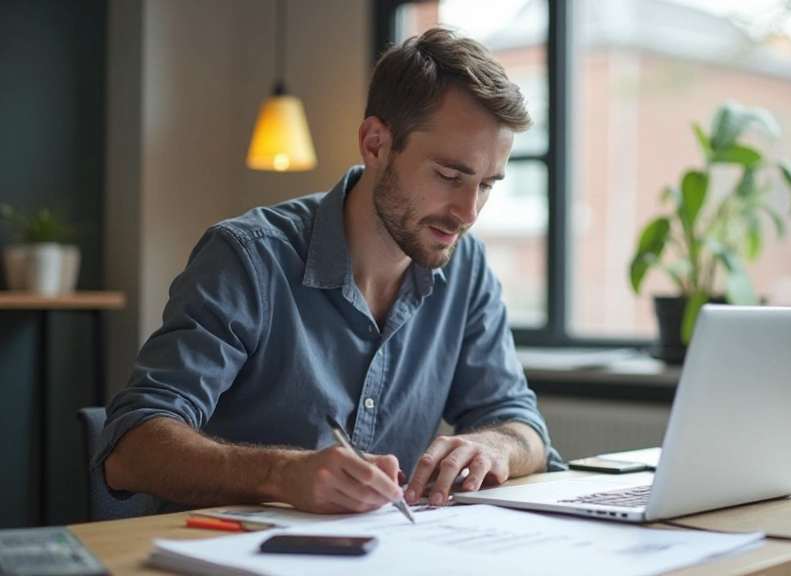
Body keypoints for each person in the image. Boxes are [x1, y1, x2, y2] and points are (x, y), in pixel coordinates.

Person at [98, 27, 563, 516]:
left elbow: (522, 427)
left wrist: (495, 446)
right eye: (449, 176)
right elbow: (130, 451)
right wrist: (281, 474)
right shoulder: (247, 259)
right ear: (376, 144)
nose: (469, 212)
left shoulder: (467, 271)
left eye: (487, 184)